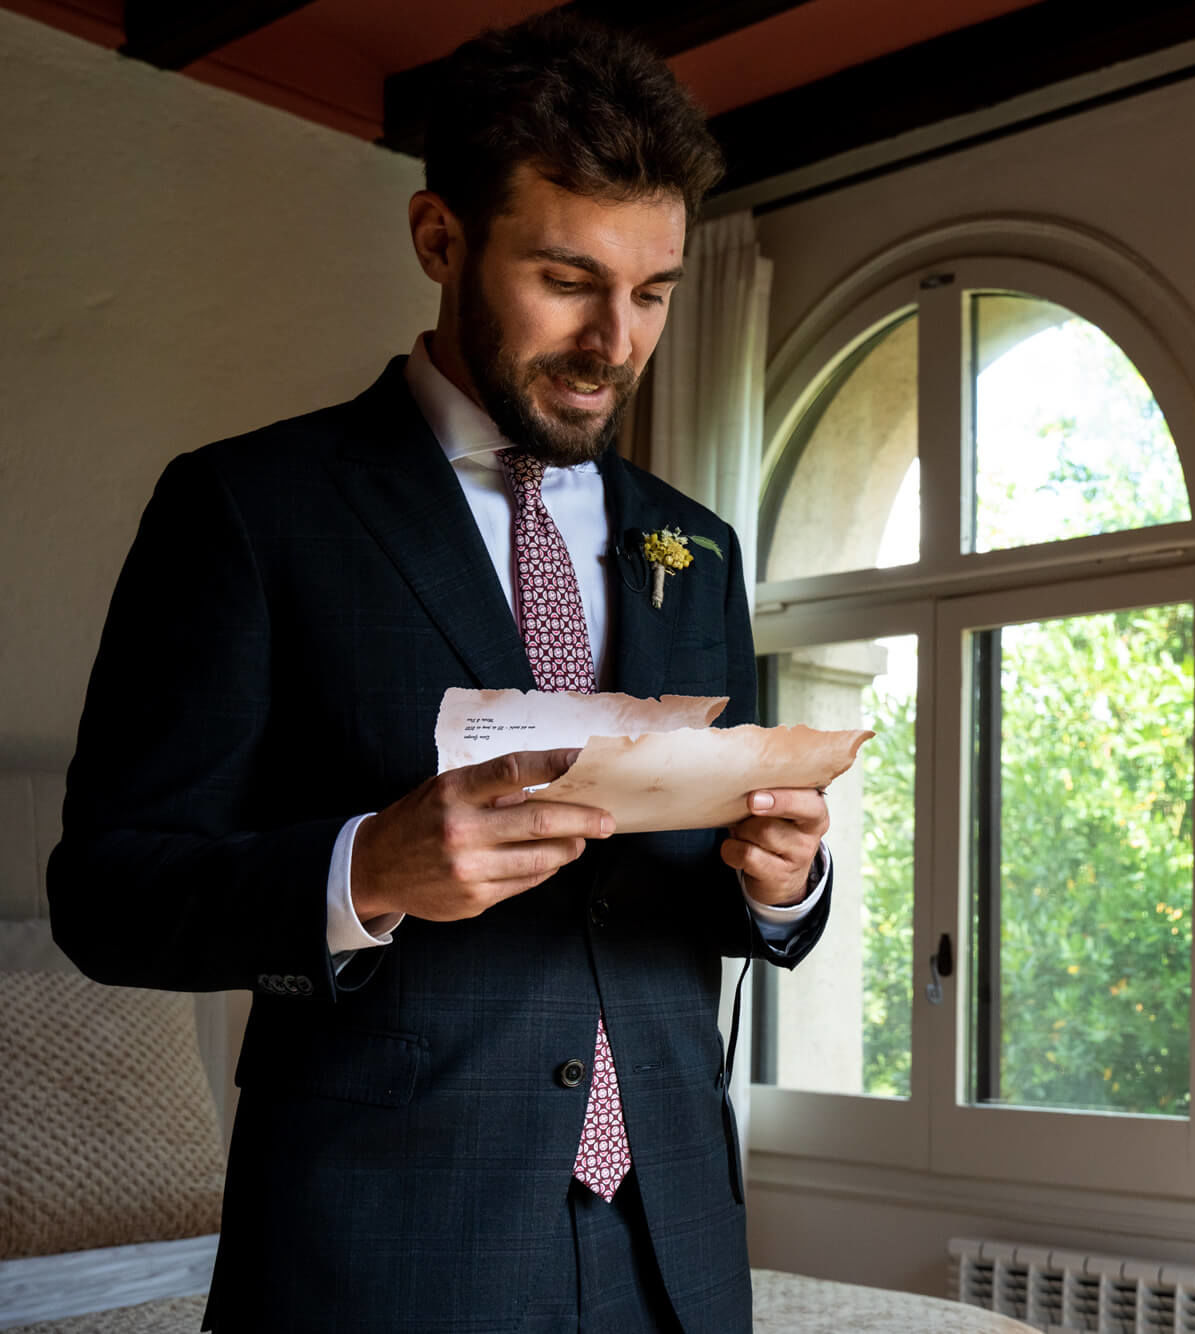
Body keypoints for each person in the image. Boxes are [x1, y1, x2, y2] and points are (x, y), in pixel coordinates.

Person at [46, 15, 832, 1333]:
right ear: (439, 239)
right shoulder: (249, 509)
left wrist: (782, 885)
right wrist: (366, 870)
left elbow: (687, 887)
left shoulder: (697, 548)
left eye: (654, 292)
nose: (615, 341)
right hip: (381, 1260)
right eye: (567, 278)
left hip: (676, 1260)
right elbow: (106, 893)